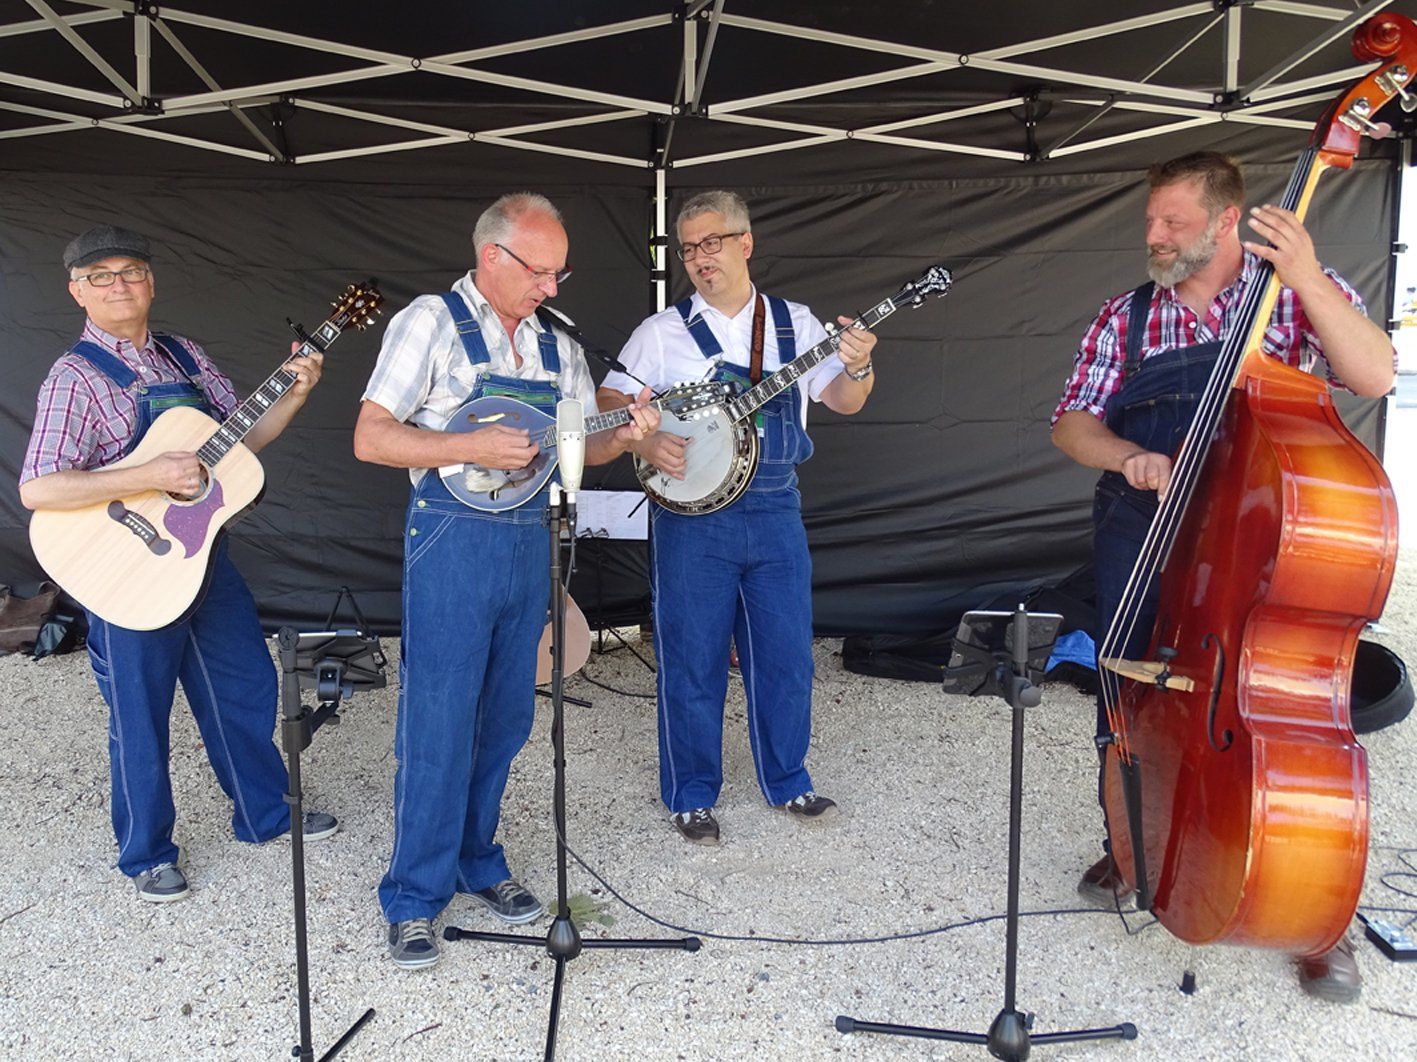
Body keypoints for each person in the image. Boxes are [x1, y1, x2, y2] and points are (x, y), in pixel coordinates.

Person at [1050, 152, 1396, 1003]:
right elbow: (1069, 425)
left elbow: (1373, 375)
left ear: (1225, 221)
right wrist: (1127, 455)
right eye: (1150, 222)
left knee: (1286, 708)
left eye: (1171, 222)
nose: (1154, 236)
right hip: (1144, 528)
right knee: (1130, 694)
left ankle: (1317, 908)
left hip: (1254, 547)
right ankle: (1135, 843)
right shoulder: (1125, 314)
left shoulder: (1287, 295)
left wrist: (1309, 276)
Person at [353, 193, 657, 969]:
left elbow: (583, 449)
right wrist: (466, 444)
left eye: (560, 273)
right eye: (542, 272)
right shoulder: (428, 319)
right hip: (452, 541)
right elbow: (371, 437)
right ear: (493, 255)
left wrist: (628, 431)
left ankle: (476, 859)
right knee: (438, 719)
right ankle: (414, 895)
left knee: (506, 718)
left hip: (531, 541)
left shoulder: (558, 343)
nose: (553, 288)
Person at [18, 224, 336, 904]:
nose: (118, 285)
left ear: (151, 281)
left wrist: (297, 390)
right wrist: (143, 473)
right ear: (77, 291)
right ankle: (146, 853)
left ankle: (263, 814)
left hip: (201, 557)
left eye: (130, 271)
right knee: (139, 714)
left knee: (245, 687)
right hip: (125, 571)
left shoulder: (183, 355)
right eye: (100, 277)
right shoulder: (73, 377)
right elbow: (39, 487)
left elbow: (240, 440)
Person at [597, 190, 878, 846]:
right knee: (690, 655)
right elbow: (611, 400)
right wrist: (640, 440)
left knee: (784, 653)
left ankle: (788, 779)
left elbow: (842, 398)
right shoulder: (661, 333)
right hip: (691, 520)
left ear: (744, 243)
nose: (699, 257)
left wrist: (858, 364)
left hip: (776, 504)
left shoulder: (794, 324)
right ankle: (690, 793)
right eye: (687, 247)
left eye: (711, 242)